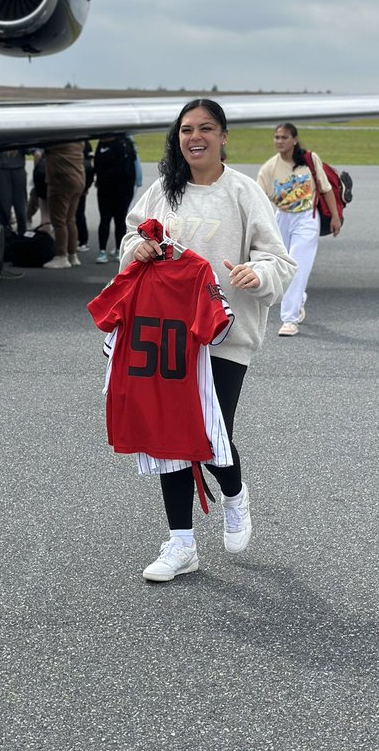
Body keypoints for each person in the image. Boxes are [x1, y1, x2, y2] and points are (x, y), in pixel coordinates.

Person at [119, 98, 296, 582]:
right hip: (166, 337)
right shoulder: (162, 191)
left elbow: (280, 261)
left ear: (223, 136)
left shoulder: (243, 192)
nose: (194, 137)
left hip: (223, 336)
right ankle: (181, 544)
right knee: (166, 438)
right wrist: (141, 248)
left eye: (206, 129)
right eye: (186, 130)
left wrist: (255, 274)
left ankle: (234, 494)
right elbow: (128, 243)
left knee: (212, 434)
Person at [256, 122, 341, 336]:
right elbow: (258, 199)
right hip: (282, 218)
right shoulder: (269, 168)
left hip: (307, 218)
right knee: (282, 267)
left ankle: (289, 320)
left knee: (297, 266)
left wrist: (335, 217)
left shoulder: (310, 160)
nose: (279, 141)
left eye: (284, 137)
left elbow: (326, 189)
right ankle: (299, 299)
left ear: (294, 139)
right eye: (276, 137)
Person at [94, 133, 140, 263]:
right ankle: (102, 251)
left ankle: (119, 250)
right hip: (104, 189)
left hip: (122, 190)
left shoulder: (123, 144)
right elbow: (97, 165)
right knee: (105, 219)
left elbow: (126, 170)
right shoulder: (101, 144)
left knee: (120, 219)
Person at [43, 140, 86, 269]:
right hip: (77, 180)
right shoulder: (78, 141)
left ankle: (61, 255)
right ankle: (72, 255)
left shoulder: (58, 140)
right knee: (70, 220)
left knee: (59, 221)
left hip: (61, 181)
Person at [0, 149, 28, 236]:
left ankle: (22, 235)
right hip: (2, 170)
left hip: (17, 169)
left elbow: (30, 149)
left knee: (21, 209)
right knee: (4, 208)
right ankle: (5, 236)